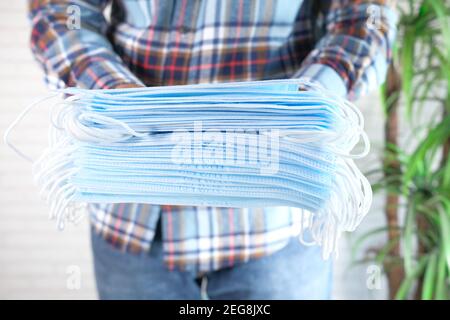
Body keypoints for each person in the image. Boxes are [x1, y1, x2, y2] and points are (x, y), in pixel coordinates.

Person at [28, 0, 397, 299]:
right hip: (132, 218)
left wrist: (303, 107)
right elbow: (60, 12)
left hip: (282, 222)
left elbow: (364, 18)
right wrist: (120, 106)